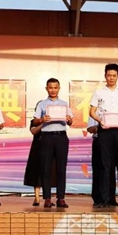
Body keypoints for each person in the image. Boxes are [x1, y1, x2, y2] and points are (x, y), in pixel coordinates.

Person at [89, 64, 118, 209]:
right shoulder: (99, 92)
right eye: (109, 75)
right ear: (105, 76)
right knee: (105, 165)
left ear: (117, 76)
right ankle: (104, 199)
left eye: (114, 75)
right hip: (105, 131)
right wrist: (100, 121)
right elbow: (92, 111)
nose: (111, 78)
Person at [33, 78, 73, 208]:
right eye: (50, 87)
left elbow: (71, 122)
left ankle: (61, 198)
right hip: (47, 137)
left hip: (61, 137)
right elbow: (35, 121)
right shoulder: (42, 104)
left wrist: (69, 119)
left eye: (55, 88)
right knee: (46, 168)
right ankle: (47, 198)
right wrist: (42, 119)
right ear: (46, 89)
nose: (53, 90)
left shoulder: (64, 104)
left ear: (59, 88)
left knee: (61, 168)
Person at [23, 113, 56, 206]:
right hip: (37, 148)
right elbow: (33, 131)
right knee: (36, 173)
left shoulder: (53, 121)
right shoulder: (35, 122)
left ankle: (48, 198)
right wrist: (43, 123)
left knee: (49, 173)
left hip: (50, 149)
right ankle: (37, 198)